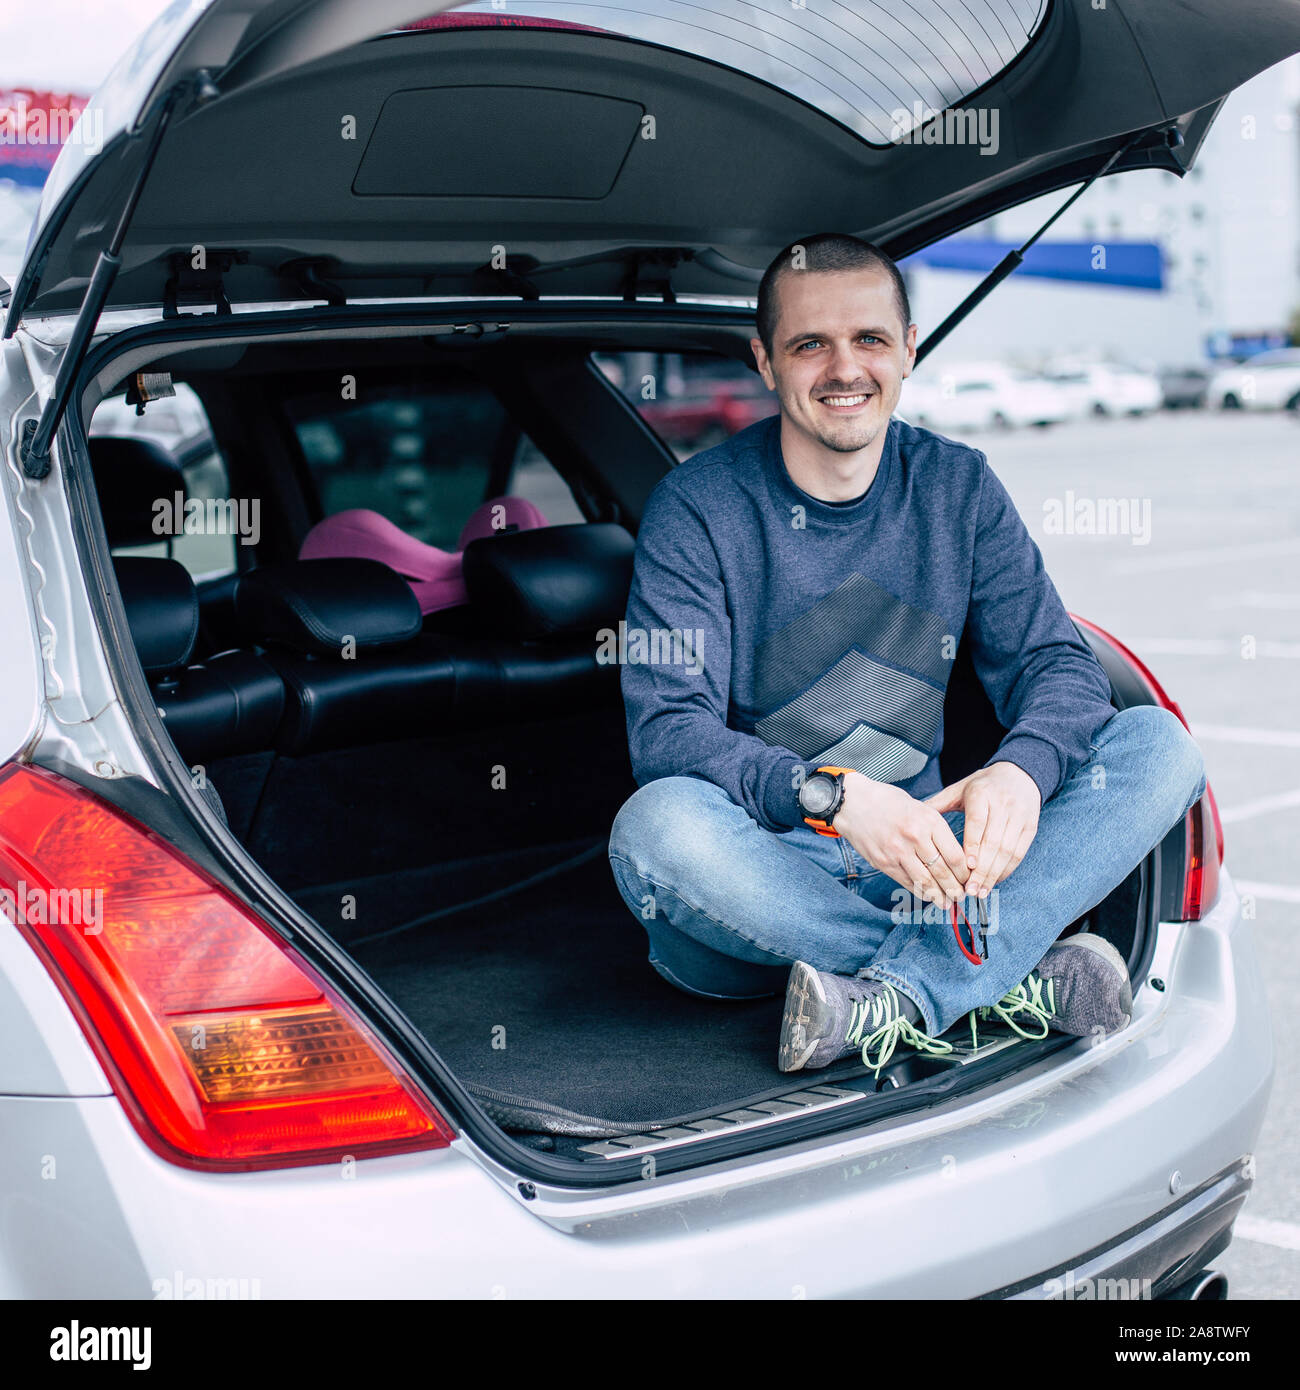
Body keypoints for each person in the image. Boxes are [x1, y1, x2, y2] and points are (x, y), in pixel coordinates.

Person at [607, 233, 1207, 1076]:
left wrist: (1021, 775)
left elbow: (1058, 667)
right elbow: (670, 732)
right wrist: (833, 799)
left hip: (934, 860)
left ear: (908, 351)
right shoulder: (699, 509)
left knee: (1160, 748)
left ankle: (896, 999)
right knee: (658, 828)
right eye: (810, 343)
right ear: (766, 361)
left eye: (870, 340)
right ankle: (1000, 985)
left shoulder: (958, 488)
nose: (844, 368)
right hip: (768, 879)